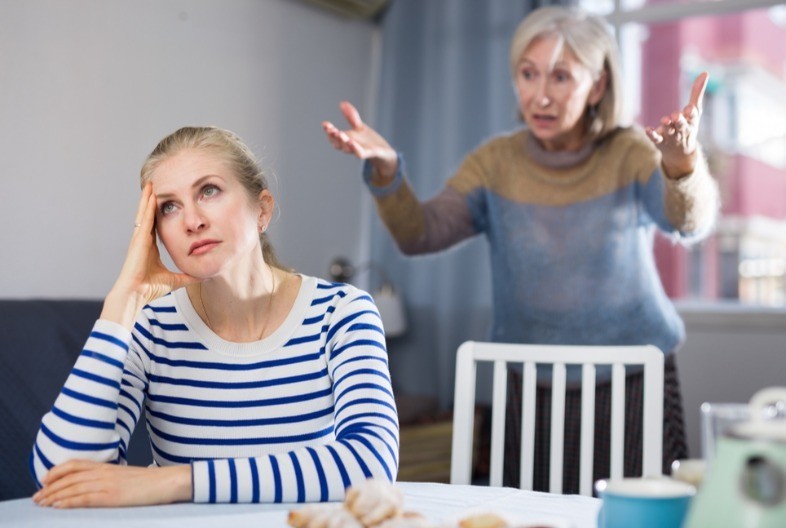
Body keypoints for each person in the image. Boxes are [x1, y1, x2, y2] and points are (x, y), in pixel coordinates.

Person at [322, 6, 718, 493]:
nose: (540, 95)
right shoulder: (496, 162)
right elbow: (419, 233)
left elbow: (687, 222)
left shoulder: (630, 151)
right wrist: (386, 170)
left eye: (561, 77)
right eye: (528, 74)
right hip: (532, 385)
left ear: (597, 86)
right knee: (533, 512)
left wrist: (681, 165)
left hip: (632, 378)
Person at [30, 126, 399, 507]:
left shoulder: (341, 313)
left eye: (209, 190)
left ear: (263, 208)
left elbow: (371, 464)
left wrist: (175, 481)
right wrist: (123, 300)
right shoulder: (151, 327)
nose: (192, 221)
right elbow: (58, 475)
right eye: (168, 207)